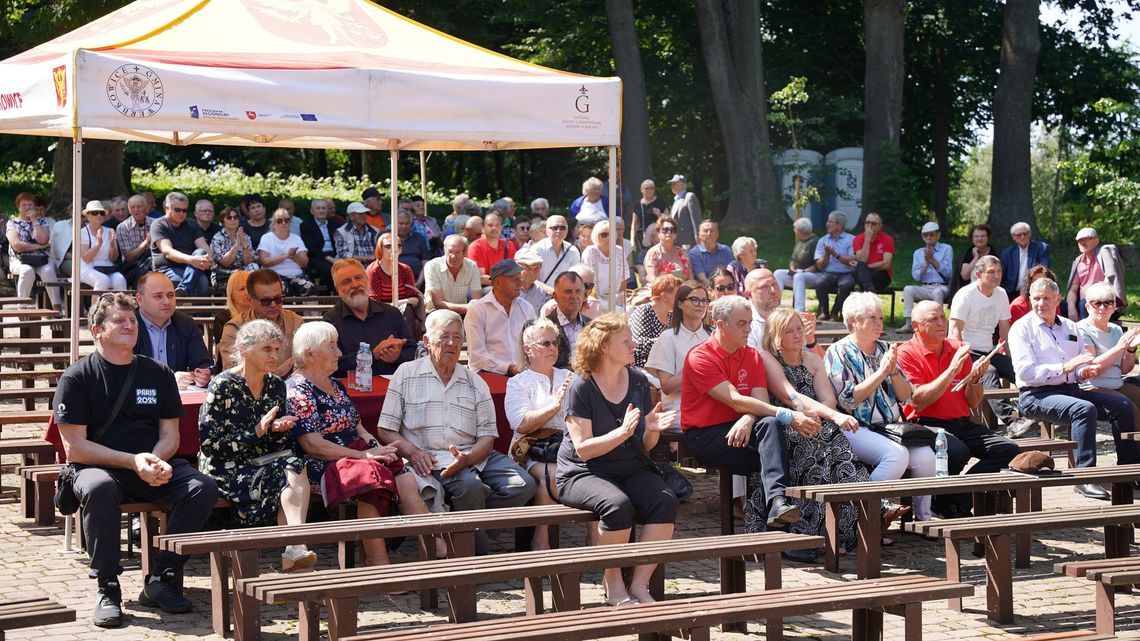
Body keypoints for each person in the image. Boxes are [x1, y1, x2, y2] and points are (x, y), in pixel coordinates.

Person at [54, 293, 219, 627]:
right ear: (96, 329)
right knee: (98, 487)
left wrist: (154, 463)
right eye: (119, 320)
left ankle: (163, 576)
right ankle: (108, 587)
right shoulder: (77, 377)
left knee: (202, 487)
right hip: (97, 468)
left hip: (147, 466)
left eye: (132, 320)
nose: (129, 325)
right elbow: (75, 448)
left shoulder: (157, 373)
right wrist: (134, 462)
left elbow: (171, 436)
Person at [378, 310, 536, 554]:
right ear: (426, 341)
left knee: (523, 484)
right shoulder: (406, 374)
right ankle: (475, 556)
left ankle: (461, 536)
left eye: (457, 337)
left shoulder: (475, 382)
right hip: (429, 457)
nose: (452, 343)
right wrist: (413, 451)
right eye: (444, 336)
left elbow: (487, 437)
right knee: (469, 487)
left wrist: (469, 458)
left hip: (472, 453)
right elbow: (385, 429)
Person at [556, 313, 677, 605]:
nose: (634, 344)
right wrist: (623, 432)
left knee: (665, 501)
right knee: (617, 506)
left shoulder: (637, 381)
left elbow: (646, 445)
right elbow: (584, 449)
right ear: (603, 346)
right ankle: (612, 582)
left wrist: (652, 430)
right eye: (626, 340)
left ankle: (639, 584)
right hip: (583, 472)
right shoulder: (582, 386)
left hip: (630, 466)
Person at [288, 321, 427, 564]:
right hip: (321, 463)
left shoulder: (335, 383)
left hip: (355, 455)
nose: (340, 354)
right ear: (310, 354)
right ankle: (377, 562)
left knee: (403, 473)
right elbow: (313, 446)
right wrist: (364, 457)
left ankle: (435, 548)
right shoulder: (299, 390)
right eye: (332, 347)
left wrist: (375, 447)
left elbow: (358, 425)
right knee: (369, 481)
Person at [198, 320, 316, 571]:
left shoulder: (275, 385)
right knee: (282, 473)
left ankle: (295, 546)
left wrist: (276, 430)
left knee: (295, 463)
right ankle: (294, 548)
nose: (274, 355)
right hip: (224, 465)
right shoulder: (223, 385)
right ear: (243, 349)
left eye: (276, 349)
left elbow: (276, 444)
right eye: (266, 349)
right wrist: (256, 432)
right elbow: (210, 446)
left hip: (262, 459)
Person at [680, 295, 805, 528]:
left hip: (743, 427)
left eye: (749, 323)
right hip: (706, 435)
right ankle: (779, 530)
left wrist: (748, 417)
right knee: (783, 456)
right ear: (720, 325)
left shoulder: (751, 355)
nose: (749, 329)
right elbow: (736, 400)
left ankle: (777, 506)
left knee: (774, 433)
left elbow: (759, 402)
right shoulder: (700, 356)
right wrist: (786, 414)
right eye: (741, 324)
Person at [1007, 278, 1137, 500]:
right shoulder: (1021, 328)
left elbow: (1079, 367)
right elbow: (1026, 373)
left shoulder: (1069, 327)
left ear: (1058, 299)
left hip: (1070, 389)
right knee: (1083, 409)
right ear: (1029, 299)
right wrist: (1065, 367)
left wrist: (1082, 371)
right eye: (1036, 298)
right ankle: (1084, 477)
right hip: (1036, 394)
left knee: (1123, 406)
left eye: (1046, 298)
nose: (1041, 303)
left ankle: (1129, 471)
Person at [758, 308, 871, 556]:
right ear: (775, 336)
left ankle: (853, 526)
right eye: (789, 331)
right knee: (819, 439)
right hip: (784, 425)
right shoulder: (767, 358)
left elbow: (828, 399)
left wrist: (821, 415)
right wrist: (830, 416)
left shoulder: (812, 360)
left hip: (816, 422)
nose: (797, 335)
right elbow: (789, 395)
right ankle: (806, 532)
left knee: (834, 441)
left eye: (799, 328)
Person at [898, 301, 1020, 517]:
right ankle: (950, 504)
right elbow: (917, 401)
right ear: (916, 325)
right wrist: (952, 371)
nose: (940, 323)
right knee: (957, 452)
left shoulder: (956, 348)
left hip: (961, 422)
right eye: (933, 319)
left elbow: (973, 402)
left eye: (942, 318)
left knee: (1008, 450)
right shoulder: (906, 354)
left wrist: (974, 380)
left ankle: (957, 499)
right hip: (925, 424)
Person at [823, 292, 936, 522]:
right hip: (854, 427)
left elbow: (907, 397)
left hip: (890, 427)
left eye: (881, 318)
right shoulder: (839, 352)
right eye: (872, 317)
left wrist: (893, 372)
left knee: (926, 457)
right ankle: (865, 517)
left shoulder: (886, 349)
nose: (879, 323)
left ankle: (923, 518)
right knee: (896, 456)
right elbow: (847, 400)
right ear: (854, 321)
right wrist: (881, 373)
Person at [504, 318, 573, 550]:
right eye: (545, 343)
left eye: (555, 343)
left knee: (597, 470)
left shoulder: (569, 377)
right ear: (527, 349)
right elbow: (521, 424)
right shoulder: (518, 383)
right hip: (532, 449)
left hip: (568, 446)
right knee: (551, 474)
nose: (553, 348)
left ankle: (594, 539)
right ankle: (541, 537)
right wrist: (554, 406)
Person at [324, 259, 414, 377]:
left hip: (393, 390)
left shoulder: (392, 314)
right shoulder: (331, 322)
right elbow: (330, 365)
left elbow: (413, 351)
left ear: (367, 279)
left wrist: (398, 357)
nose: (355, 285)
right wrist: (372, 355)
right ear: (338, 290)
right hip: (351, 392)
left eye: (358, 278)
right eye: (346, 282)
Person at [1077, 282, 1140, 432]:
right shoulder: (1081, 329)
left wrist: (1130, 349)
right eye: (1096, 303)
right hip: (1092, 386)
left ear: (1114, 307)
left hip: (1117, 384)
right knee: (1128, 407)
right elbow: (1092, 367)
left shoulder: (1117, 329)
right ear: (1087, 307)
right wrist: (1119, 347)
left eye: (1108, 303)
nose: (1102, 308)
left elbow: (1125, 369)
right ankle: (1132, 454)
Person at [134, 272, 212, 388]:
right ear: (139, 300)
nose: (166, 302)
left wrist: (203, 375)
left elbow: (202, 363)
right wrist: (168, 380)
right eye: (158, 296)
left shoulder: (185, 323)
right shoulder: (129, 325)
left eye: (170, 295)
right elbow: (123, 375)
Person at [218, 269, 304, 374]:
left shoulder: (296, 322)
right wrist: (276, 373)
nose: (273, 305)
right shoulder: (235, 328)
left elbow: (306, 363)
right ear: (250, 300)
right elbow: (231, 371)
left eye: (278, 299)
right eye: (266, 301)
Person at [645, 281, 710, 412]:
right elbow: (667, 386)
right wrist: (702, 372)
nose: (701, 305)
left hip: (712, 411)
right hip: (681, 413)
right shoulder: (668, 338)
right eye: (694, 300)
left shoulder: (713, 337)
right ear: (680, 304)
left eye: (704, 301)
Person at [465, 259, 537, 375]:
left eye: (520, 278)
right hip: (488, 375)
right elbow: (476, 356)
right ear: (498, 283)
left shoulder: (526, 308)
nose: (520, 283)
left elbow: (535, 343)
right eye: (515, 280)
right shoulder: (478, 310)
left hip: (522, 374)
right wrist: (508, 368)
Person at [6, 191, 61, 310]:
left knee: (48, 271)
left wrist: (34, 221)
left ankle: (57, 307)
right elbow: (17, 245)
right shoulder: (12, 223)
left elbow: (43, 239)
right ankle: (22, 307)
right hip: (20, 259)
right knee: (27, 271)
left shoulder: (42, 221)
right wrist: (39, 247)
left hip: (42, 259)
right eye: (24, 205)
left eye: (30, 205)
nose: (27, 207)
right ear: (18, 207)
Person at [151, 191, 213, 296]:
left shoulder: (192, 224)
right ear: (167, 208)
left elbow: (204, 246)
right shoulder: (158, 224)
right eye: (177, 210)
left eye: (184, 210)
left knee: (203, 279)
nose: (181, 213)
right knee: (198, 281)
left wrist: (209, 258)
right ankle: (184, 293)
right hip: (167, 269)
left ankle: (186, 292)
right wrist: (192, 260)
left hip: (193, 267)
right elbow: (168, 252)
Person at [366, 232, 424, 335]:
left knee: (408, 308)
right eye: (388, 246)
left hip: (403, 309)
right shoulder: (373, 270)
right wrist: (392, 306)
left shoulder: (405, 269)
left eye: (398, 246)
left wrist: (399, 303)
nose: (393, 249)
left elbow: (414, 299)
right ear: (380, 248)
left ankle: (407, 346)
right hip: (380, 311)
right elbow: (373, 302)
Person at [899, 222, 953, 332]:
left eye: (932, 234)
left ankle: (939, 324)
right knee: (908, 289)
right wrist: (926, 264)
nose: (928, 237)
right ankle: (909, 323)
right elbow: (916, 276)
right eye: (925, 235)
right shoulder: (918, 253)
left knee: (937, 292)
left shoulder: (946, 249)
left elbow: (949, 273)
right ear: (922, 236)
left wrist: (933, 260)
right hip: (925, 286)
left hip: (942, 286)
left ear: (938, 235)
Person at [1065, 227, 1127, 321]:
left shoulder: (1103, 254)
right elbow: (1073, 290)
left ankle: (1085, 334)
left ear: (1096, 240)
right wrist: (1071, 308)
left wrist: (1092, 299)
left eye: (1087, 239)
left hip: (1104, 303)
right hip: (1084, 303)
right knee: (1060, 305)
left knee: (1084, 304)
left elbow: (1109, 281)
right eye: (1080, 240)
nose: (1082, 242)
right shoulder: (1079, 262)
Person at [258, 208, 314, 296]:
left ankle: (313, 310)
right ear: (273, 224)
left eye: (287, 220)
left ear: (290, 223)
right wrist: (286, 256)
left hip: (296, 275)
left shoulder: (296, 238)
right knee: (281, 289)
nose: (283, 223)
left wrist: (295, 256)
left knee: (309, 288)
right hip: (274, 275)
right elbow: (264, 261)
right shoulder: (266, 238)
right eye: (279, 221)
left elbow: (305, 263)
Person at [813, 210, 857, 321]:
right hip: (829, 273)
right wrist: (827, 255)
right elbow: (819, 265)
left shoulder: (851, 239)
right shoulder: (822, 240)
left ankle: (835, 313)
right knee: (820, 282)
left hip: (846, 273)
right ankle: (824, 312)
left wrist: (835, 255)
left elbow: (853, 259)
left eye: (831, 221)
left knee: (847, 284)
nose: (827, 224)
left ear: (839, 225)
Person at [423, 235, 484, 314]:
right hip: (437, 314)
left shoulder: (472, 266)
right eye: (450, 251)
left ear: (465, 253)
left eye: (457, 252)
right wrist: (466, 307)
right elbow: (437, 303)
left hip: (463, 312)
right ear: (444, 250)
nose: (453, 256)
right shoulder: (432, 266)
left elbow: (477, 299)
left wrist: (471, 307)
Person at [629, 274, 680, 367]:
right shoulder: (644, 311)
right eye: (678, 295)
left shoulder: (671, 316)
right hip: (643, 366)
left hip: (663, 366)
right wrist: (669, 342)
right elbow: (639, 344)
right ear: (664, 296)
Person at [546, 271, 593, 369]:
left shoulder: (591, 326)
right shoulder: (545, 328)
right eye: (568, 291)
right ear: (555, 296)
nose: (574, 296)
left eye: (578, 291)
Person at [78, 200, 128, 292]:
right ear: (87, 216)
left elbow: (113, 258)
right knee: (102, 280)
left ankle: (119, 306)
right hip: (87, 268)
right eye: (94, 213)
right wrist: (98, 244)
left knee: (120, 280)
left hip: (107, 268)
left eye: (101, 213)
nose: (99, 215)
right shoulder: (82, 233)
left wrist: (112, 245)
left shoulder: (110, 231)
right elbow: (86, 258)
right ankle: (95, 307)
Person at [773, 217, 820, 313]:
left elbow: (818, 265)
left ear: (800, 231)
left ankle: (799, 310)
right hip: (798, 273)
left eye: (795, 229)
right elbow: (793, 260)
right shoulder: (799, 241)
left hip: (812, 275)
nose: (794, 231)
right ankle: (775, 305)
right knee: (778, 273)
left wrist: (803, 271)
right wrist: (792, 269)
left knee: (799, 276)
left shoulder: (814, 242)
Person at [581, 220, 628, 311]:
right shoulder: (590, 252)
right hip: (594, 298)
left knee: (629, 310)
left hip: (616, 298)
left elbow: (624, 279)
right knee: (620, 312)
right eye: (604, 235)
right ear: (596, 236)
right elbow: (586, 281)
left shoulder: (619, 251)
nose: (608, 238)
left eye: (611, 234)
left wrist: (621, 298)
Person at [999, 221, 1051, 301]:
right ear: (1013, 237)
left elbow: (1044, 271)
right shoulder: (1007, 253)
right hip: (1011, 293)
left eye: (1025, 233)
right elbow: (1001, 275)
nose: (1022, 237)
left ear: (1029, 234)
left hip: (1034, 291)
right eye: (1019, 235)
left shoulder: (1041, 248)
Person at [210, 206, 259, 289]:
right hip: (223, 275)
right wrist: (237, 244)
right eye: (229, 218)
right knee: (243, 280)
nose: (233, 220)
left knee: (254, 266)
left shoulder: (245, 237)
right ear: (223, 221)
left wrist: (244, 245)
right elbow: (225, 263)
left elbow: (248, 262)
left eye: (235, 217)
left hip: (242, 273)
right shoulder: (217, 238)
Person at [300, 198, 341, 292]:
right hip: (317, 256)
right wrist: (330, 259)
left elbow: (340, 243)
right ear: (312, 211)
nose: (321, 210)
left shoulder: (334, 225)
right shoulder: (306, 225)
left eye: (324, 208)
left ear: (327, 210)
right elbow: (311, 248)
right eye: (318, 208)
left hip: (335, 254)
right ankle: (327, 295)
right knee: (329, 269)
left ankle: (340, 294)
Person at [467, 211, 518, 286]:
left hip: (506, 285)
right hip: (486, 287)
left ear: (501, 227)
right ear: (482, 229)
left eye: (497, 225)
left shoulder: (509, 245)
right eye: (490, 225)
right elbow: (480, 277)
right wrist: (501, 283)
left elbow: (513, 271)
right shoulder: (475, 247)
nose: (494, 228)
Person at [213, 270, 252, 369]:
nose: (247, 292)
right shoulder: (222, 320)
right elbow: (226, 355)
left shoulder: (261, 315)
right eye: (242, 289)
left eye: (249, 287)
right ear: (231, 295)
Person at [117, 194, 154, 287]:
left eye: (139, 207)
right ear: (129, 210)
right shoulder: (123, 227)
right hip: (132, 266)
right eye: (133, 207)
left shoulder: (155, 223)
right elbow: (129, 257)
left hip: (154, 262)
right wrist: (146, 242)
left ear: (145, 208)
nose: (136, 210)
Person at [533, 215, 580, 287]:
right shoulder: (537, 250)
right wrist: (551, 292)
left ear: (567, 231)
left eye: (562, 228)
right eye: (554, 228)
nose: (558, 231)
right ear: (546, 231)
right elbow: (534, 279)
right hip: (542, 295)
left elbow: (576, 278)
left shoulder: (573, 250)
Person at [951, 223, 998, 295]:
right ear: (972, 239)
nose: (979, 239)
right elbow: (964, 276)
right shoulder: (967, 254)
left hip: (991, 289)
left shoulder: (995, 253)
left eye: (983, 236)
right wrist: (975, 257)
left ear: (988, 237)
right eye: (976, 236)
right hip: (970, 291)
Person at [643, 217, 691, 282]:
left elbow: (691, 277)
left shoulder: (683, 252)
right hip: (661, 289)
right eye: (665, 230)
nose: (669, 232)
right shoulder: (653, 253)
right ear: (658, 233)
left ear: (676, 234)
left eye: (672, 230)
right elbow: (651, 277)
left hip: (683, 289)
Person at [745, 268, 782, 350]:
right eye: (764, 287)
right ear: (749, 295)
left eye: (774, 284)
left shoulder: (789, 317)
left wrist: (811, 341)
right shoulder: (744, 323)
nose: (773, 291)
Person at [395, 210, 432, 282]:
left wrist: (419, 282)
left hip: (417, 280)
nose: (404, 226)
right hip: (392, 282)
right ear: (394, 223)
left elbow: (425, 261)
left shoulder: (418, 237)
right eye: (401, 223)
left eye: (407, 223)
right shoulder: (387, 238)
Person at [666, 174, 700, 247]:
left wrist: (697, 235)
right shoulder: (676, 200)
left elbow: (696, 219)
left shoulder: (689, 197)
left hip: (688, 240)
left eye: (674, 183)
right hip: (676, 240)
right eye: (671, 184)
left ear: (683, 185)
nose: (672, 186)